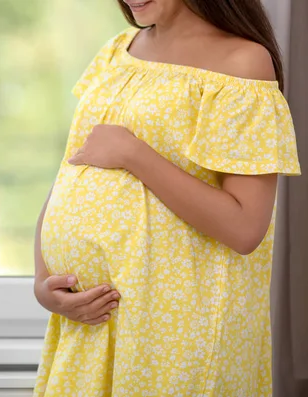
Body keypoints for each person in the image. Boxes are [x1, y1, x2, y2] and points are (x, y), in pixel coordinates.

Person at [32, 0, 302, 395]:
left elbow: (245, 227)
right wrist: (43, 283)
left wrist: (134, 154)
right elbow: (73, 170)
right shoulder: (118, 51)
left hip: (172, 331)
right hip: (89, 327)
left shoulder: (242, 62)